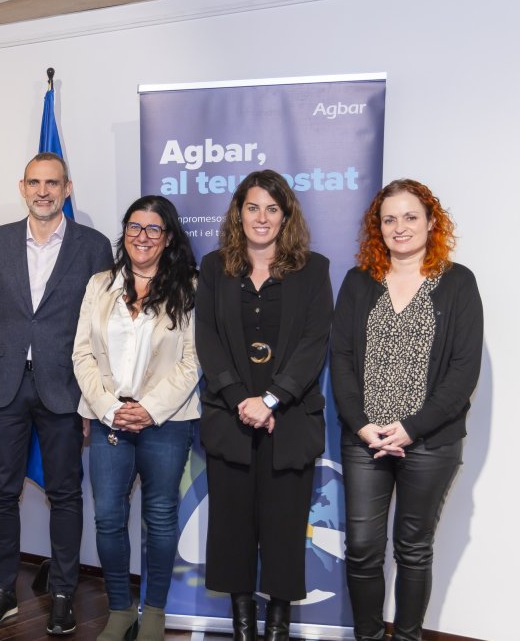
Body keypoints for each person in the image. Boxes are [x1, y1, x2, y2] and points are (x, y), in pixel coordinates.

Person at [0, 153, 113, 634]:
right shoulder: (0, 239)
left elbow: (103, 328)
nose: (43, 190)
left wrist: (96, 397)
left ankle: (64, 594)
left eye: (53, 183)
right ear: (22, 187)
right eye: (35, 182)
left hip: (65, 388)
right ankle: (3, 592)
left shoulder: (93, 246)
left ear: (67, 188)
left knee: (65, 494)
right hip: (4, 385)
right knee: (2, 492)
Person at [331, 180, 482, 641]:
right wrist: (361, 425)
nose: (400, 227)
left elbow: (463, 370)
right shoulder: (359, 281)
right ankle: (369, 636)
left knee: (414, 549)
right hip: (365, 440)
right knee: (361, 549)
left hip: (430, 442)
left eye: (410, 216)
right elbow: (341, 359)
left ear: (431, 221)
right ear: (378, 227)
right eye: (389, 218)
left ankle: (410, 635)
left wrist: (412, 428)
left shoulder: (457, 282)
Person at [195, 170, 331, 641]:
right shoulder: (214, 268)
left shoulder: (314, 270)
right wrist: (240, 400)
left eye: (273, 209)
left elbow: (315, 344)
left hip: (289, 420)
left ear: (286, 215)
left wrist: (271, 399)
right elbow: (207, 341)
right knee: (232, 527)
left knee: (283, 527)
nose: (262, 217)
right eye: (253, 207)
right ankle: (242, 625)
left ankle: (277, 626)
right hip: (229, 418)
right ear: (238, 212)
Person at [72, 196, 201, 641]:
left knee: (161, 516)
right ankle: (121, 610)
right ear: (124, 232)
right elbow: (82, 353)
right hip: (109, 418)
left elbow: (192, 361)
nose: (141, 237)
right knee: (108, 516)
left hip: (167, 420)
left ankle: (155, 614)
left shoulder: (190, 287)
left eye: (153, 229)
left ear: (168, 239)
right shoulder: (99, 284)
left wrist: (148, 409)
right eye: (134, 227)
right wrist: (110, 408)